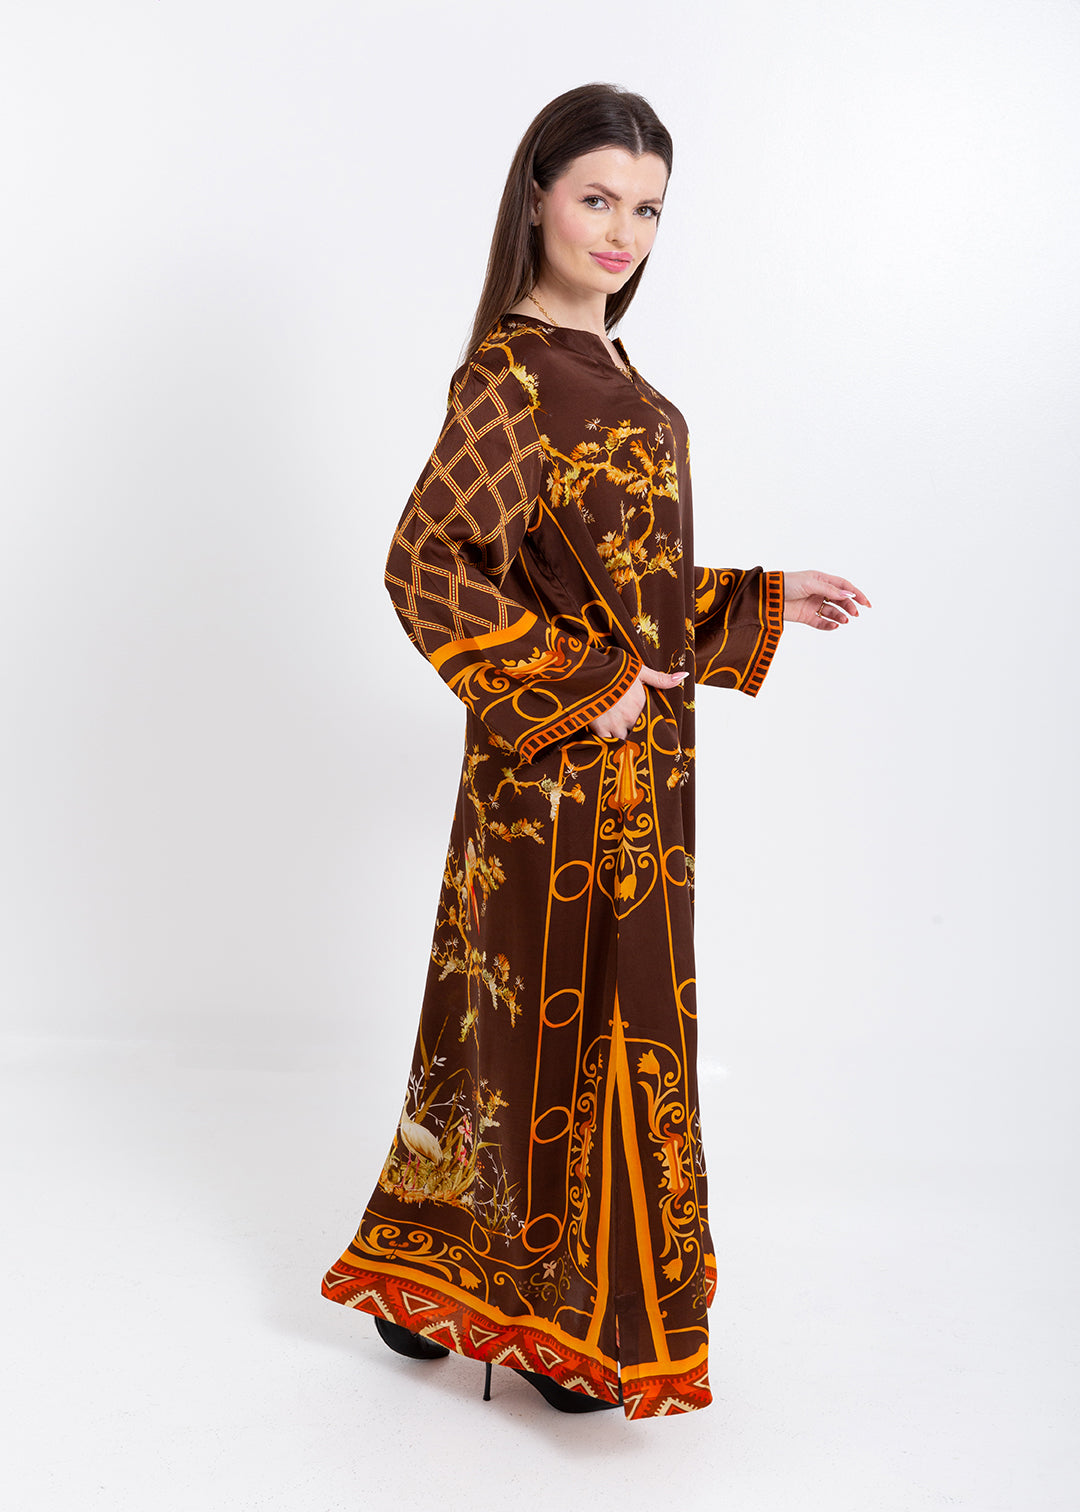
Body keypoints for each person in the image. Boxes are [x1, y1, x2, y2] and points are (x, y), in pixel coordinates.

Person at [321, 82, 870, 1421]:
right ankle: (529, 1304)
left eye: (648, 210)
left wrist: (758, 598)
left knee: (607, 1020)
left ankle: (495, 1289)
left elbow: (624, 592)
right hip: (548, 784)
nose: (623, 233)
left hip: (647, 785)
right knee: (533, 1023)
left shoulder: (624, 381)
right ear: (538, 199)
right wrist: (583, 682)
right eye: (598, 199)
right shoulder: (511, 378)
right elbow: (424, 564)